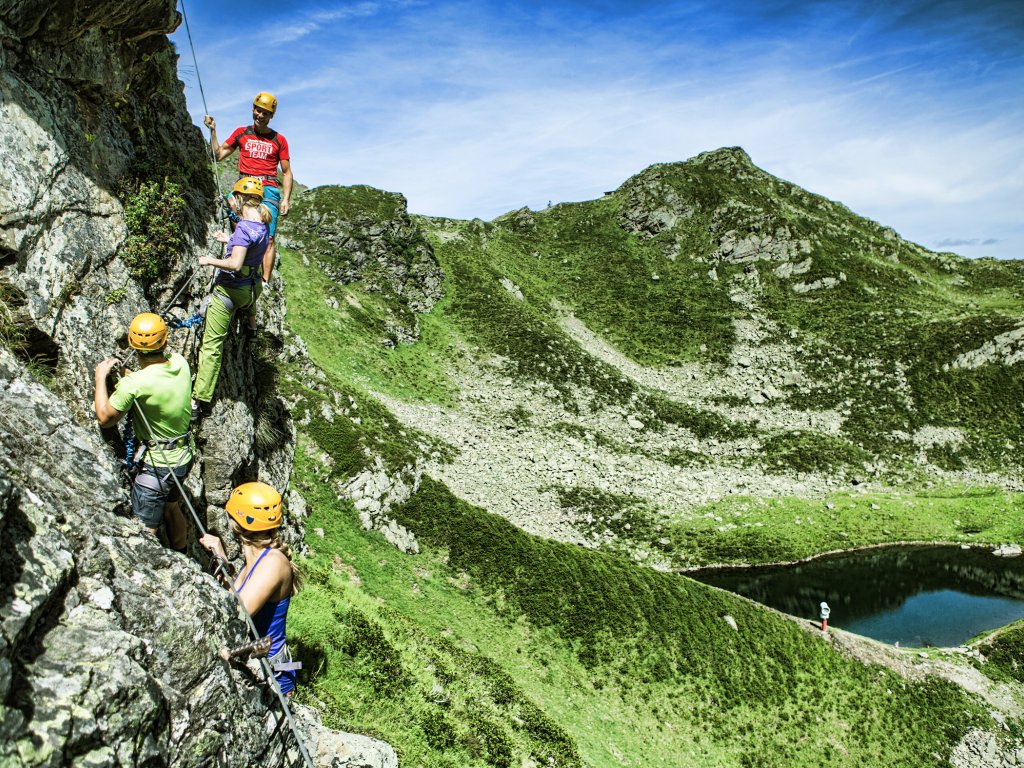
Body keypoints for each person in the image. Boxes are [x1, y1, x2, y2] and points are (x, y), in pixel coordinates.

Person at [94, 312, 194, 551]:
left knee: (145, 530)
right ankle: (182, 552)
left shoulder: (135, 384)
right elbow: (155, 379)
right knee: (171, 508)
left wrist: (100, 379)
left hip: (157, 468)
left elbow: (105, 418)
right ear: (165, 341)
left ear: (132, 344)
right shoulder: (180, 363)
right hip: (183, 457)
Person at [200, 482, 301, 696]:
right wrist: (222, 558)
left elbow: (236, 612)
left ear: (237, 523)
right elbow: (235, 599)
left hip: (272, 677)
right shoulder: (257, 559)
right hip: (260, 665)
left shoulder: (272, 563)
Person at [192, 176, 270, 416]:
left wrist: (209, 261)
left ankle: (199, 401)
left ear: (239, 199)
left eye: (233, 199)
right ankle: (252, 328)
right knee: (248, 303)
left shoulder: (245, 227)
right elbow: (249, 249)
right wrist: (230, 239)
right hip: (251, 290)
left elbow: (235, 264)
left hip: (230, 292)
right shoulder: (262, 224)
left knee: (212, 345)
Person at [204, 92, 292, 284]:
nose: (260, 115)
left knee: (268, 237)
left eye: (265, 113)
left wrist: (285, 199)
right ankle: (240, 259)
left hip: (268, 187)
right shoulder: (241, 133)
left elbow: (286, 172)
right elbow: (218, 155)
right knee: (231, 213)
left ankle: (265, 281)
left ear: (271, 116)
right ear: (253, 109)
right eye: (258, 110)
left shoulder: (279, 140)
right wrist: (213, 131)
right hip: (244, 186)